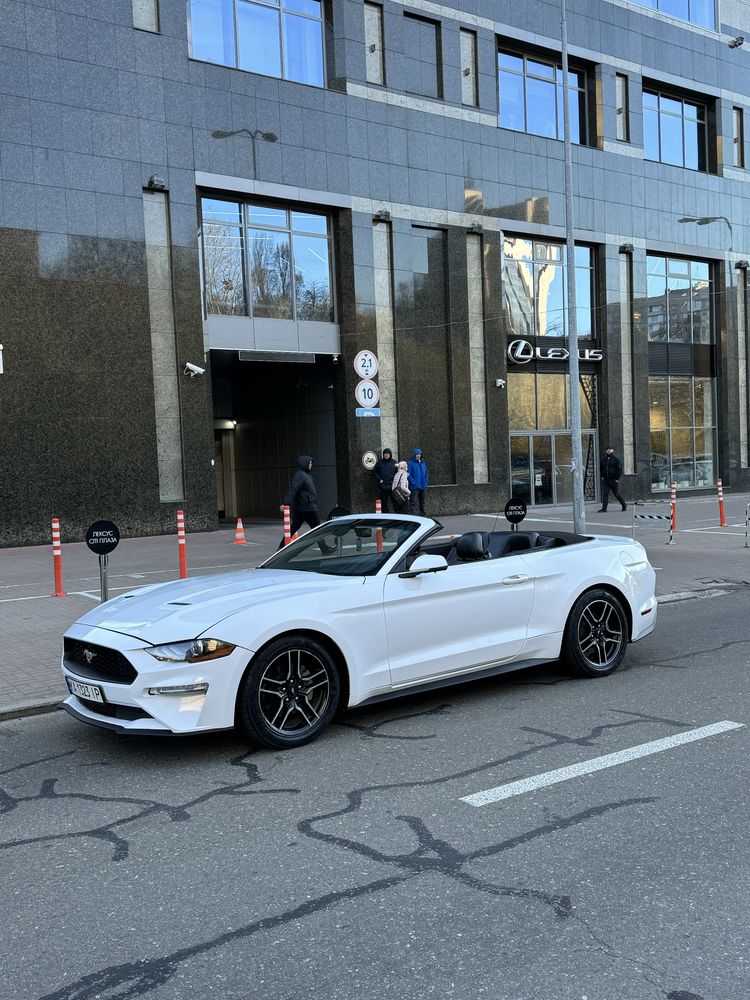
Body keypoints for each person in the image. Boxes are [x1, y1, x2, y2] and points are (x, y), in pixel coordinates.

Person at [279, 455, 331, 551]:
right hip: (307, 507)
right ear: (304, 464)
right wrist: (286, 503)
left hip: (302, 507)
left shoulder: (306, 475)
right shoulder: (301, 475)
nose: (311, 465)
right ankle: (324, 549)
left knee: (294, 527)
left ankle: (280, 548)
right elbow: (293, 489)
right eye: (309, 463)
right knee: (317, 529)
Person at [598, 446, 627, 512]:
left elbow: (619, 469)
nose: (608, 451)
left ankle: (624, 504)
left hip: (613, 480)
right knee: (605, 494)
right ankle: (604, 509)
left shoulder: (616, 460)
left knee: (616, 494)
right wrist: (602, 476)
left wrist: (617, 478)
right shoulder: (603, 460)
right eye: (607, 450)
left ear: (612, 451)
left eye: (609, 450)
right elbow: (601, 469)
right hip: (606, 480)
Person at [372, 448, 397, 512]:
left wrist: (394, 480)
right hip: (383, 487)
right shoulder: (379, 463)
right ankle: (386, 516)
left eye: (387, 453)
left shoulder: (394, 463)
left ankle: (397, 516)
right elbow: (375, 472)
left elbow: (397, 473)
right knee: (384, 504)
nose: (386, 455)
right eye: (385, 453)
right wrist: (379, 479)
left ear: (390, 454)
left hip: (392, 487)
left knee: (395, 503)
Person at [407, 448, 429, 515]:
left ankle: (423, 516)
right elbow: (409, 474)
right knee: (413, 502)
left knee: (422, 502)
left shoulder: (423, 463)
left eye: (419, 454)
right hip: (414, 487)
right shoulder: (410, 463)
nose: (418, 455)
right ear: (414, 455)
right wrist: (413, 482)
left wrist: (426, 481)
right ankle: (413, 516)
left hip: (423, 486)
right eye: (416, 454)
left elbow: (426, 473)